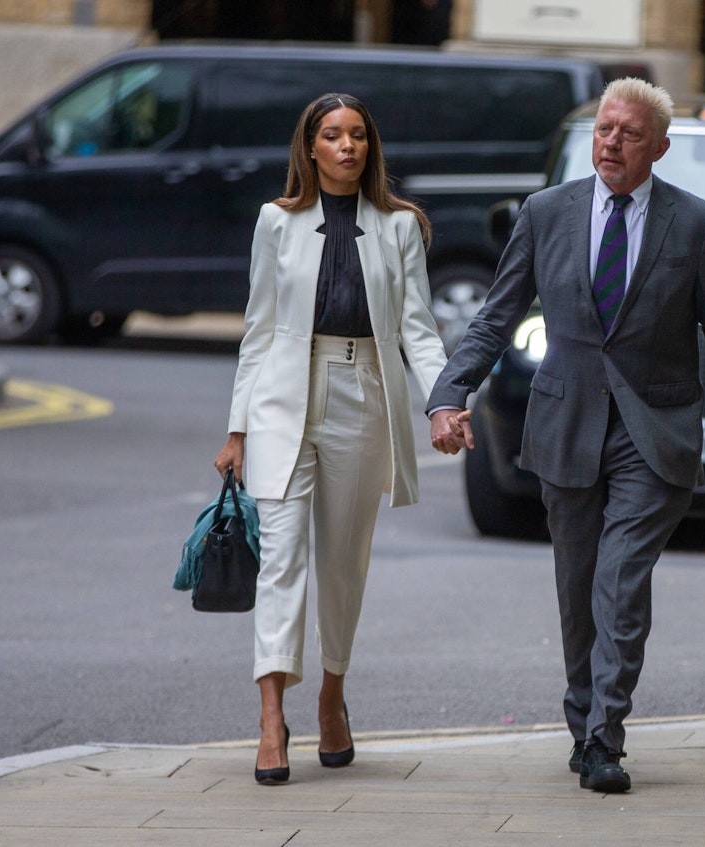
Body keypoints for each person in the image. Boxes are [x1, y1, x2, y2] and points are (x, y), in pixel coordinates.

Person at [428, 78, 705, 793]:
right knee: (578, 584)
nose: (612, 142)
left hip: (656, 429)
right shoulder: (546, 212)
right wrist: (450, 393)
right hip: (567, 424)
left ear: (661, 148)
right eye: (605, 130)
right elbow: (495, 315)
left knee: (620, 580)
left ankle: (605, 736)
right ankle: (582, 721)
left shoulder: (695, 223)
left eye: (630, 134)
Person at [214, 92, 451, 786]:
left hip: (362, 394)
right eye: (332, 135)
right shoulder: (274, 222)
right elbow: (257, 328)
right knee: (280, 558)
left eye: (357, 136)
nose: (347, 146)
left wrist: (444, 403)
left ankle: (331, 692)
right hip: (283, 398)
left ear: (369, 148)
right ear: (310, 147)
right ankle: (269, 717)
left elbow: (419, 330)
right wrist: (237, 428)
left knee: (343, 562)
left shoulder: (401, 226)